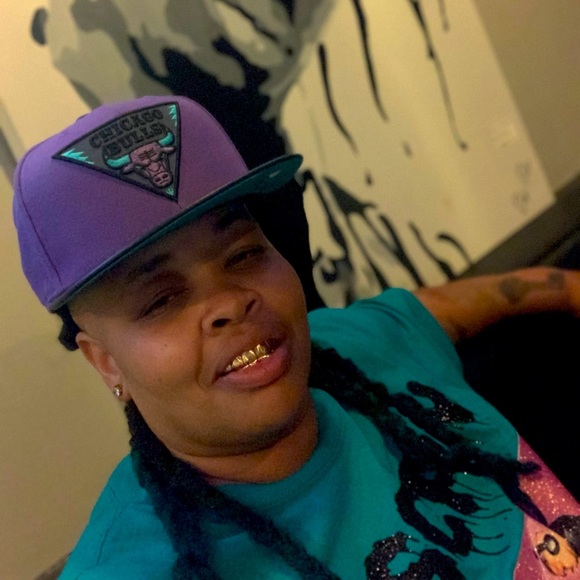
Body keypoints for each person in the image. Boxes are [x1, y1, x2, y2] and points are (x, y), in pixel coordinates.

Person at [12, 95, 580, 579]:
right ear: (106, 362)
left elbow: (451, 307)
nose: (231, 301)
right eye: (162, 299)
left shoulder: (351, 345)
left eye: (243, 253)